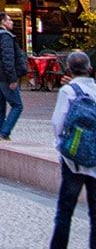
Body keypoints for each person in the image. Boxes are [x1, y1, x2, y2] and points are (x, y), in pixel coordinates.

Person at [49, 50, 96, 249]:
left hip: (73, 159)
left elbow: (57, 123)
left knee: (65, 210)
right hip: (95, 158)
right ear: (90, 69)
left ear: (68, 69)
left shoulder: (68, 91)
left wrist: (62, 147)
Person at [0, 10, 28, 140]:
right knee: (17, 105)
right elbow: (8, 59)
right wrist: (12, 78)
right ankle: (4, 132)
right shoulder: (6, 37)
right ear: (3, 22)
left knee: (0, 106)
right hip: (4, 77)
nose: (12, 22)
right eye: (9, 20)